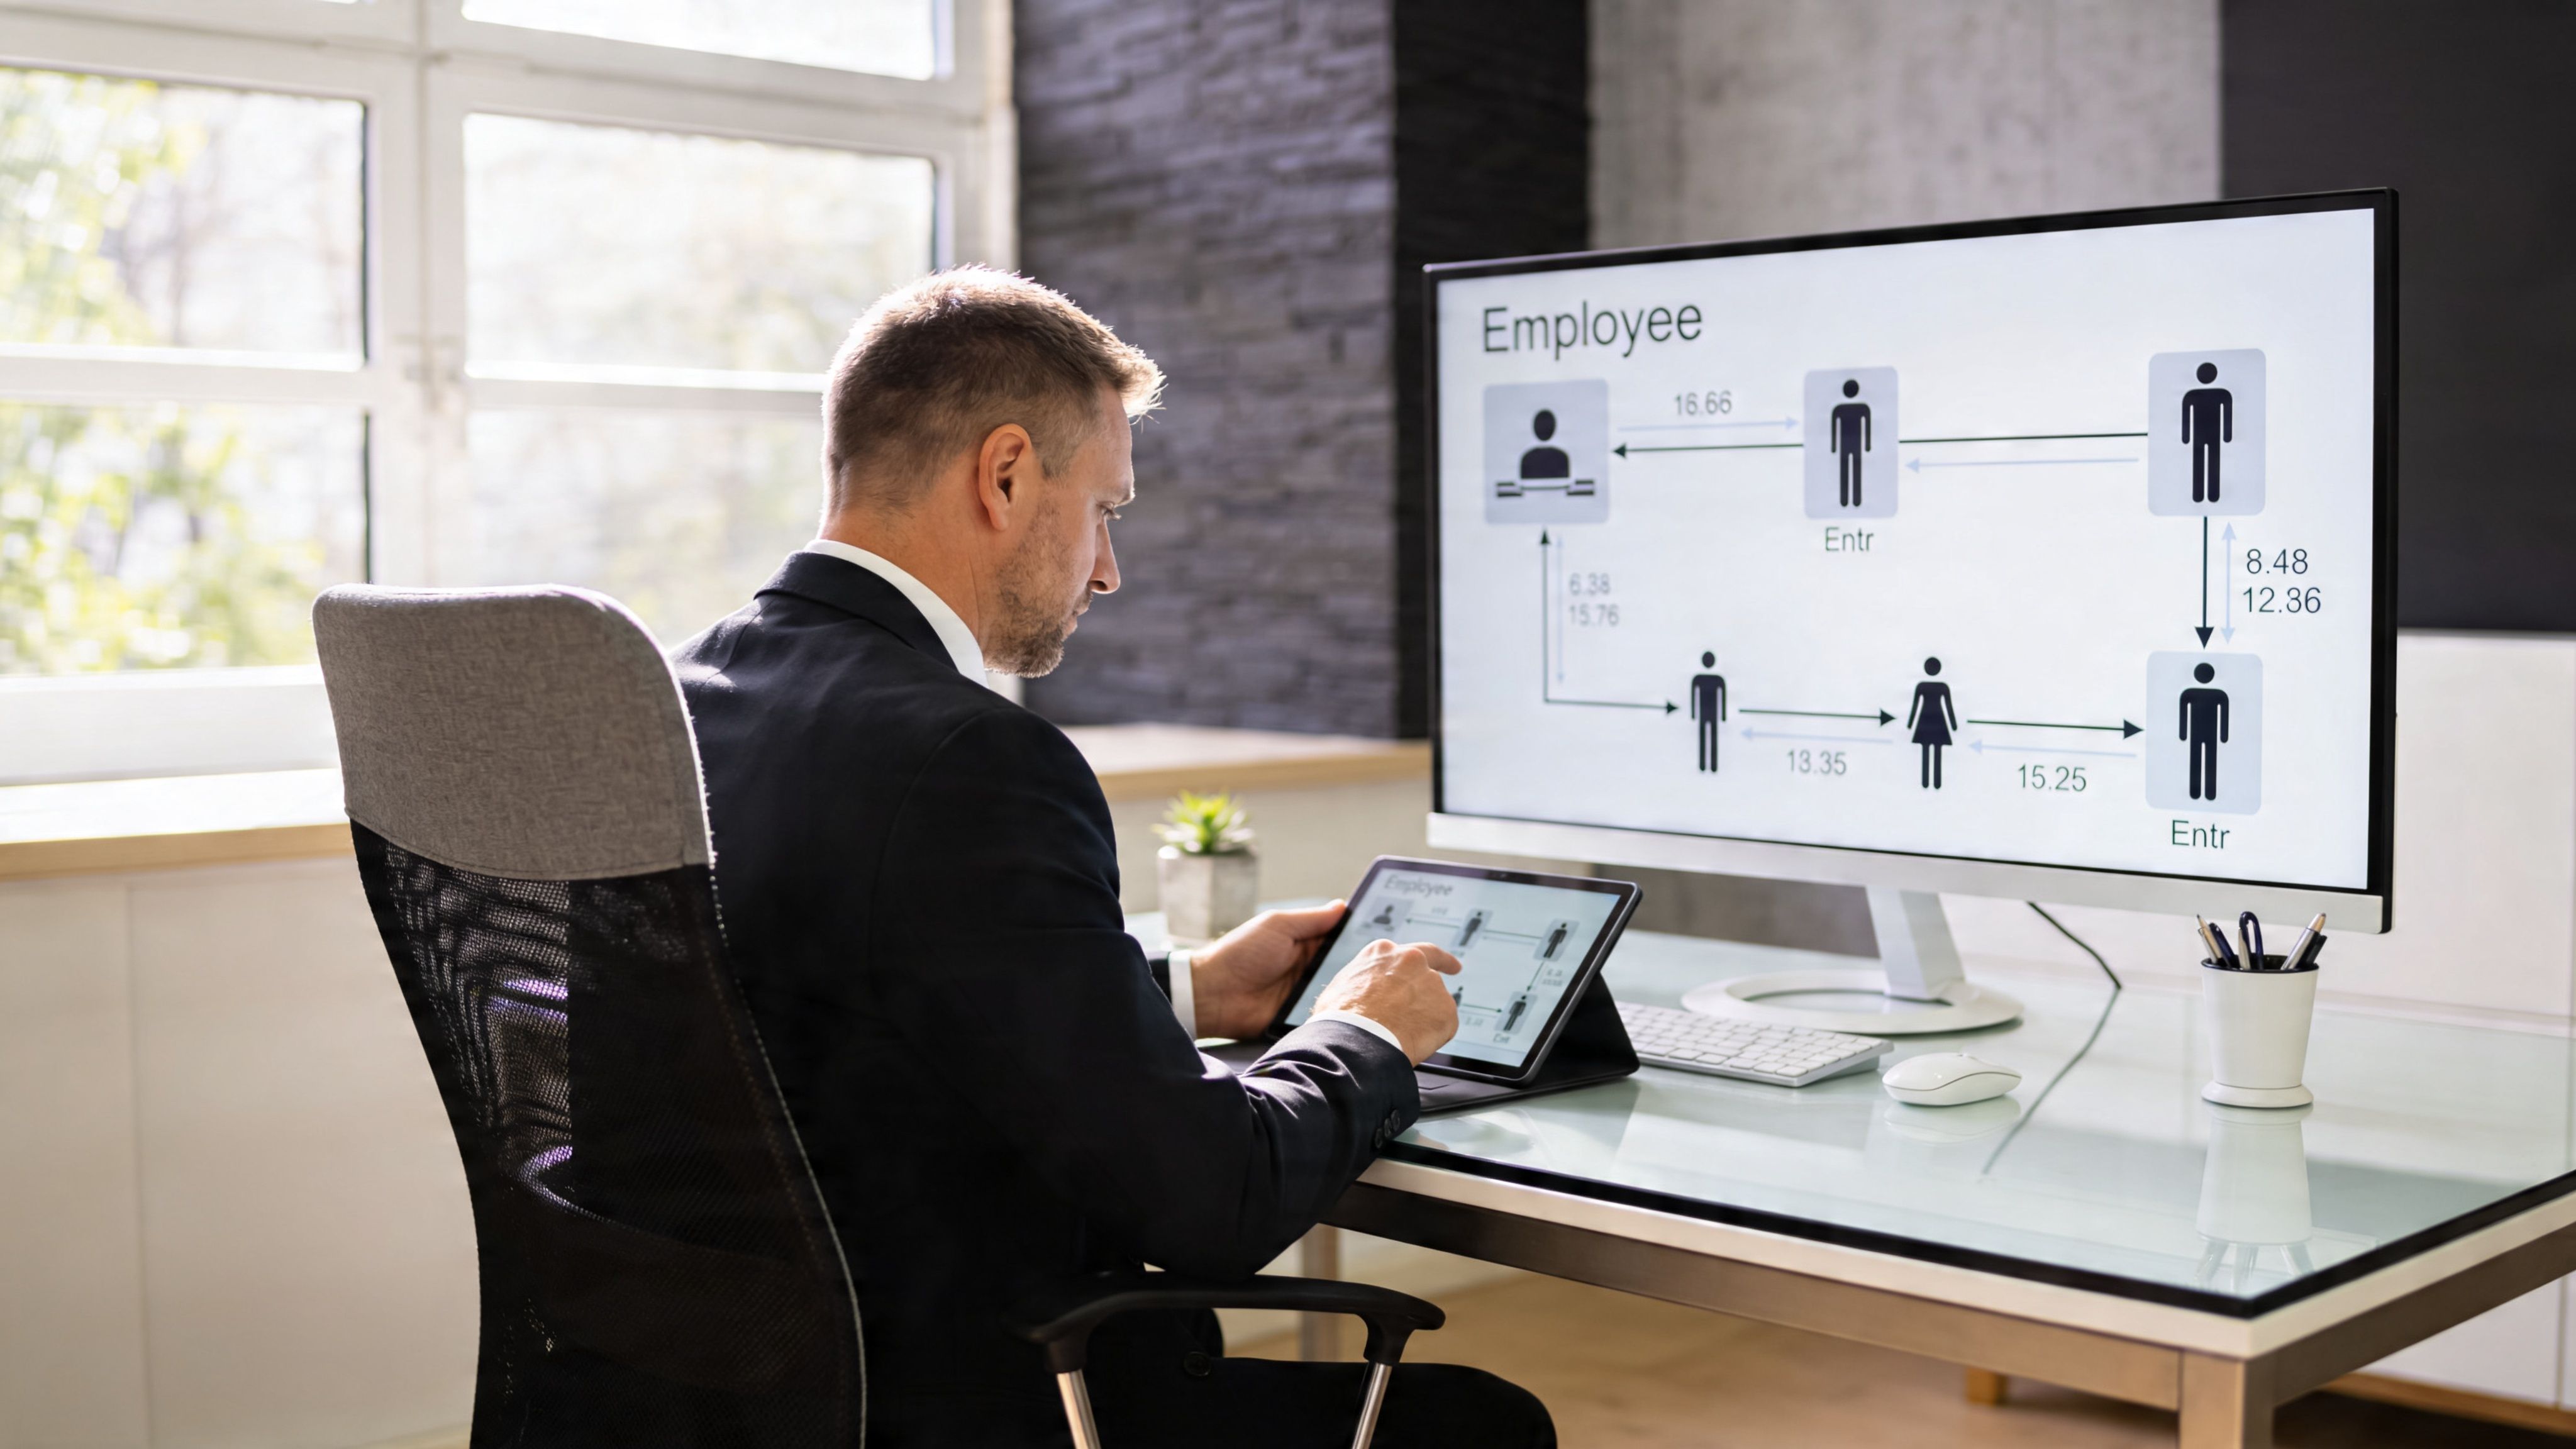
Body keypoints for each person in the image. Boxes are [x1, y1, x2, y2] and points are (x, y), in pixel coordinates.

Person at [673, 269, 1552, 1448]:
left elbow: (851, 998)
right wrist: (1368, 1033)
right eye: (1105, 510)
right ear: (1004, 474)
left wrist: (1190, 990)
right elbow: (1212, 1202)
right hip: (985, 1398)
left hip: (738, 1387)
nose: (1106, 569)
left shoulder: (685, 697)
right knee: (1485, 1426)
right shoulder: (971, 759)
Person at [2182, 361, 2233, 504]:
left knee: (2211, 464)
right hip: (2204, 436)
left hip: (2209, 435)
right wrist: (2186, 437)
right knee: (2203, 463)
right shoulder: (2220, 394)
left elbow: (2227, 415)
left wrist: (2186, 437)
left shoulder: (2220, 394)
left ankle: (2209, 495)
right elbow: (2186, 416)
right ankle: (2202, 495)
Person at [2179, 660, 2231, 801]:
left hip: (2201, 734)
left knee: (2204, 761)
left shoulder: (2191, 693)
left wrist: (2183, 734)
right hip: (2207, 735)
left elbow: (2224, 715)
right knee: (2205, 761)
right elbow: (2184, 713)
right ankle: (2203, 792)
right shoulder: (2217, 695)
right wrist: (2223, 736)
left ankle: (2204, 793)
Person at [1907, 657, 1957, 789]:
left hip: (1929, 720)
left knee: (1930, 750)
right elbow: (1948, 707)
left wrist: (1910, 724)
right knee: (1934, 750)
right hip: (1936, 720)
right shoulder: (1940, 686)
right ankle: (1934, 783)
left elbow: (1916, 707)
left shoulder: (1924, 686)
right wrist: (1953, 725)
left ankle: (1930, 782)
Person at [1829, 378, 1872, 508]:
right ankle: (1852, 500)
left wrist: (1834, 447)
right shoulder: (1862, 408)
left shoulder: (1840, 409)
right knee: (1852, 470)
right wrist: (1867, 446)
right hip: (1854, 445)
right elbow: (1834, 428)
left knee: (1849, 470)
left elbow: (1867, 427)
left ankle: (1849, 500)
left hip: (1848, 445)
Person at [1689, 652, 1727, 772]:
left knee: (1711, 739)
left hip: (1709, 714)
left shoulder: (1705, 679)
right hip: (1707, 714)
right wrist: (1693, 714)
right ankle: (1705, 765)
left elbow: (1723, 697)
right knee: (1705, 739)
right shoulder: (1706, 679)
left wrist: (1724, 715)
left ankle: (1711, 766)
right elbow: (1694, 697)